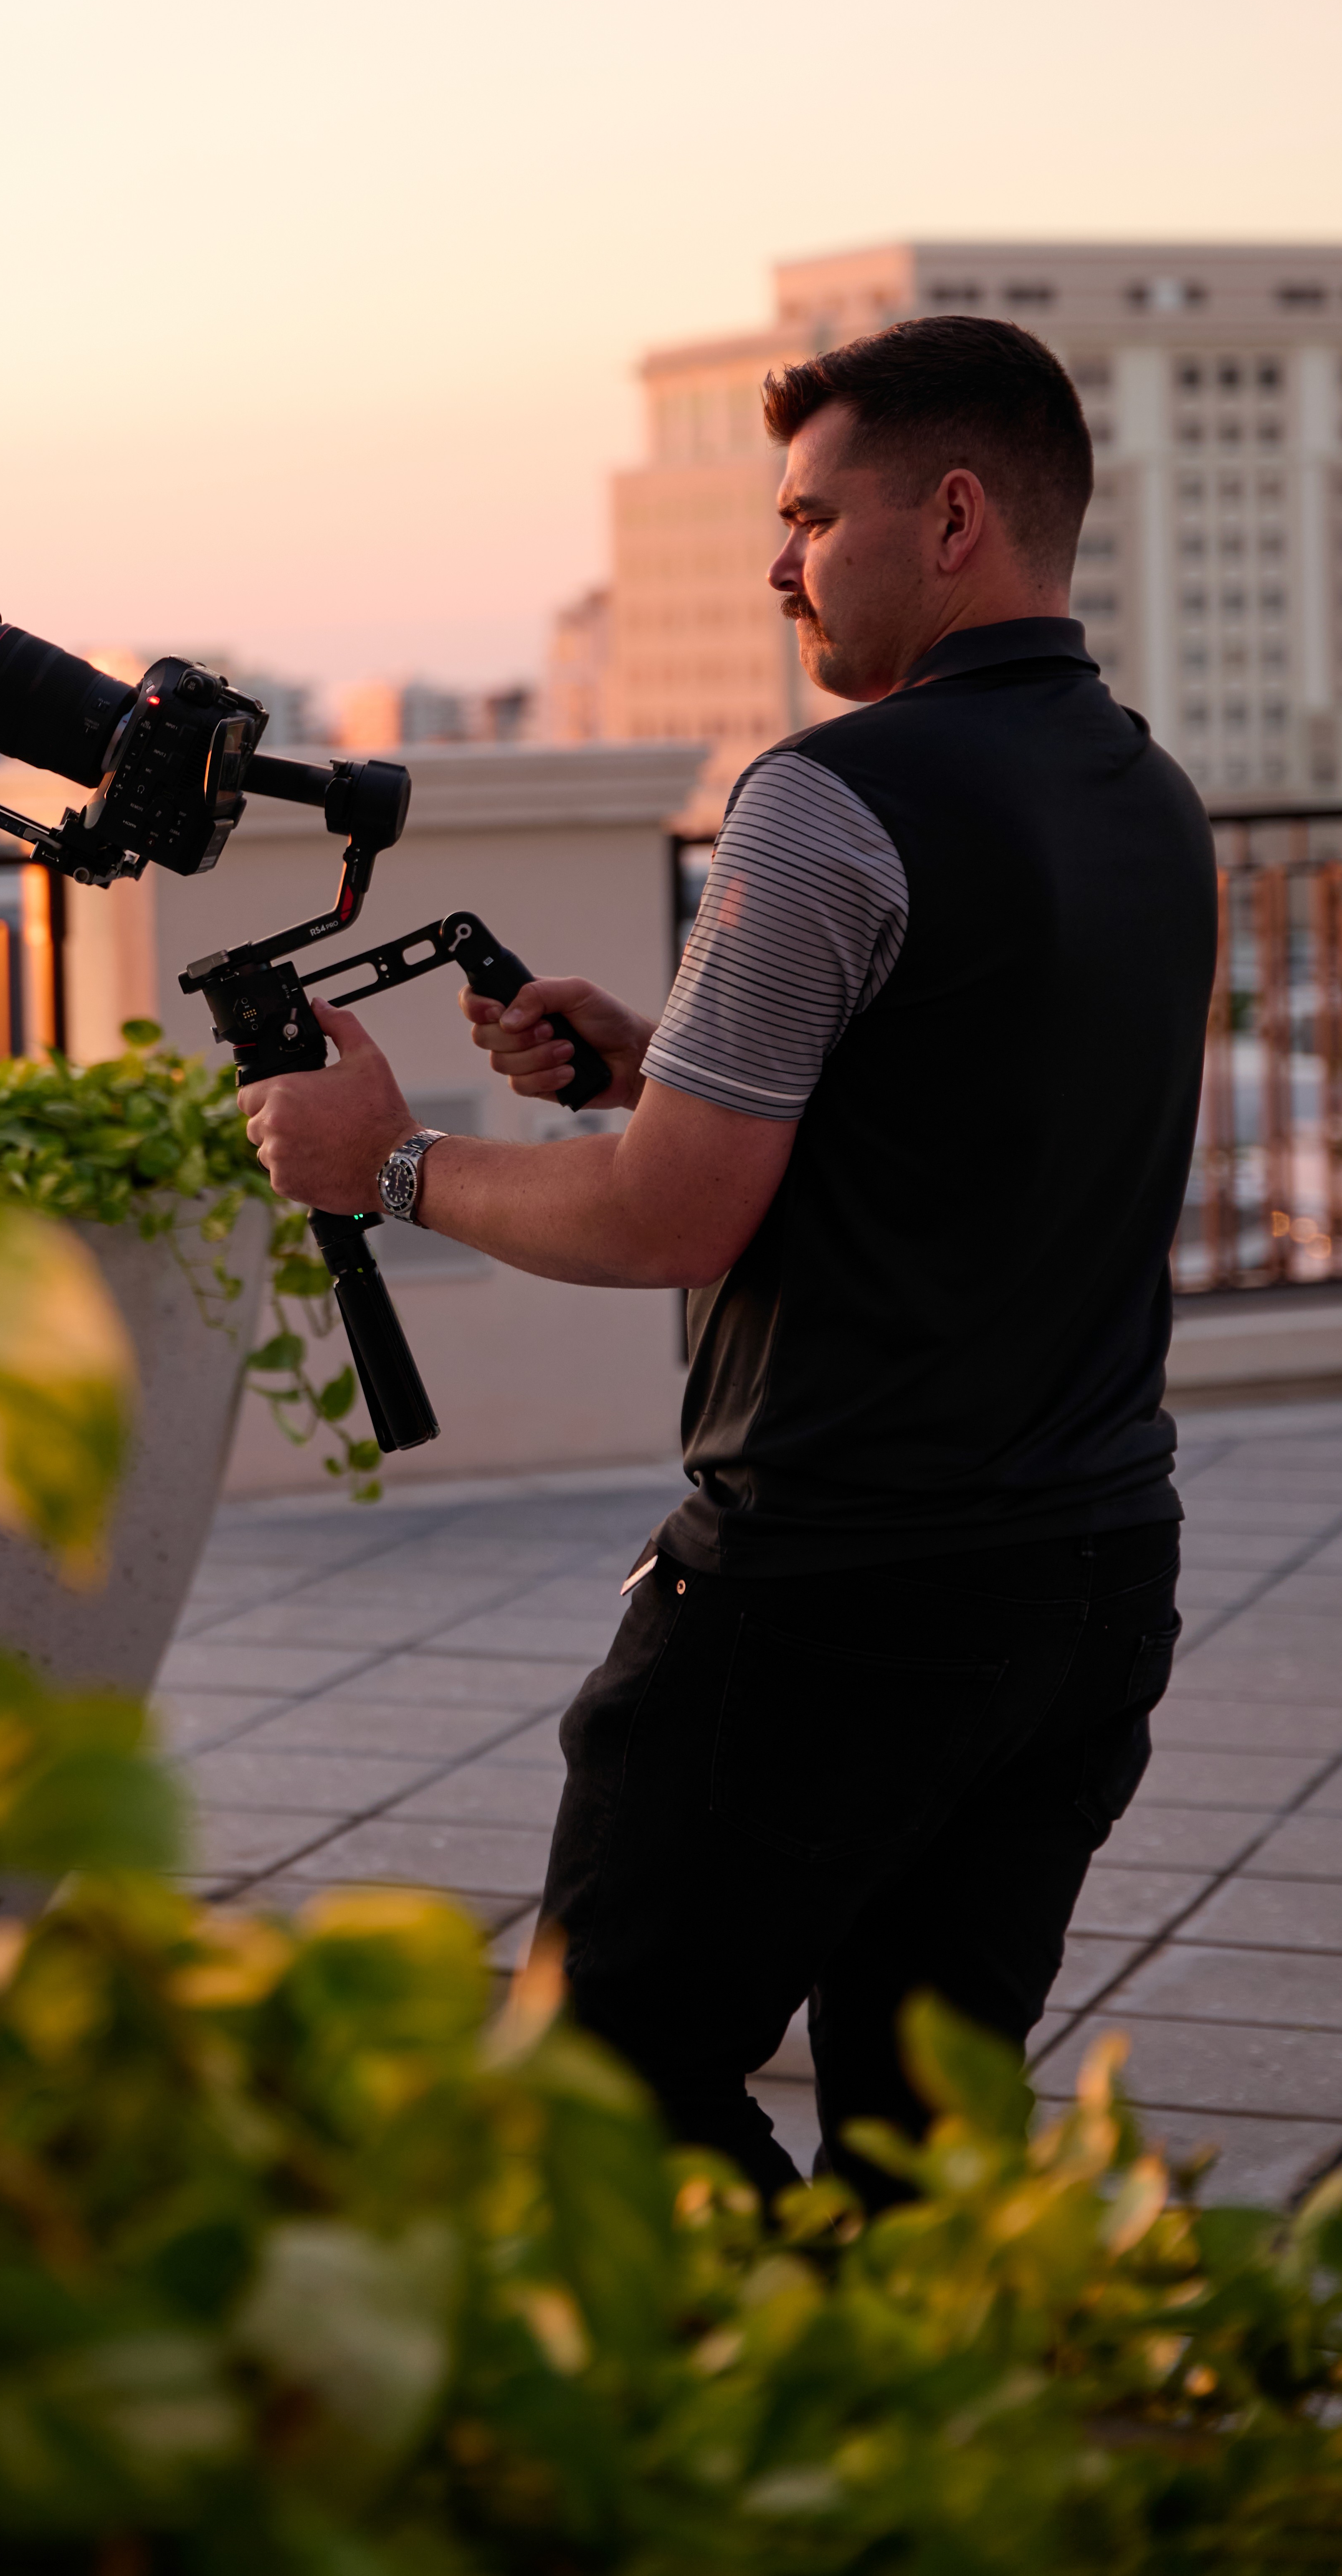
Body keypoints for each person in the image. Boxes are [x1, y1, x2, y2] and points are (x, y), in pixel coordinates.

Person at [240, 313, 1216, 2199]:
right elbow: (960, 1122)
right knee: (924, 2135)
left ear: (947, 518)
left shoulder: (830, 795)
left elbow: (666, 1220)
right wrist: (658, 1063)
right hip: (1089, 1571)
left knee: (601, 2100)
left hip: (831, 1591)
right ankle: (906, 2450)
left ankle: (736, 2433)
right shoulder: (1144, 791)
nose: (776, 564)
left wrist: (390, 1165)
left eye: (805, 515)